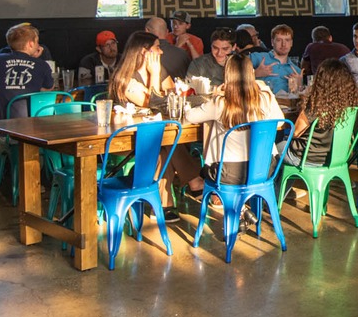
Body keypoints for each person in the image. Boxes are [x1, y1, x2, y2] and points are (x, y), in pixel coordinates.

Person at [109, 31, 203, 221]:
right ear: (144, 52)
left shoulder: (159, 70)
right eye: (157, 48)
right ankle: (194, 181)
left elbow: (171, 96)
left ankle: (164, 205)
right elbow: (152, 104)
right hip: (127, 139)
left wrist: (159, 78)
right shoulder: (124, 78)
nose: (160, 52)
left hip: (154, 137)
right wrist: (154, 76)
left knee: (163, 146)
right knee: (164, 142)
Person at [185, 54, 284, 226]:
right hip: (263, 169)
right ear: (251, 73)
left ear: (227, 75)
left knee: (205, 169)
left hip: (228, 174)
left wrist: (214, 95)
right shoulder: (266, 98)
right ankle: (241, 210)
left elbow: (190, 115)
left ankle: (238, 211)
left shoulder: (220, 103)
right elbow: (281, 122)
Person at [277, 58, 358, 203]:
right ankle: (282, 191)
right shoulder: (349, 107)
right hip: (334, 158)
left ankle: (273, 196)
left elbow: (295, 132)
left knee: (275, 147)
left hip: (305, 157)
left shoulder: (315, 106)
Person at [0, 23, 54, 119]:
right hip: (33, 128)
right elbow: (47, 90)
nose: (38, 46)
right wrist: (33, 60)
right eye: (37, 42)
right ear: (30, 44)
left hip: (5, 128)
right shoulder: (41, 65)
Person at [250, 24, 302, 95]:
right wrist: (254, 74)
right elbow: (232, 73)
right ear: (272, 42)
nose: (283, 44)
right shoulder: (257, 57)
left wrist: (299, 86)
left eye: (287, 40)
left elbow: (297, 98)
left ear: (291, 43)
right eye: (279, 40)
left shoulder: (296, 71)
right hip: (261, 104)